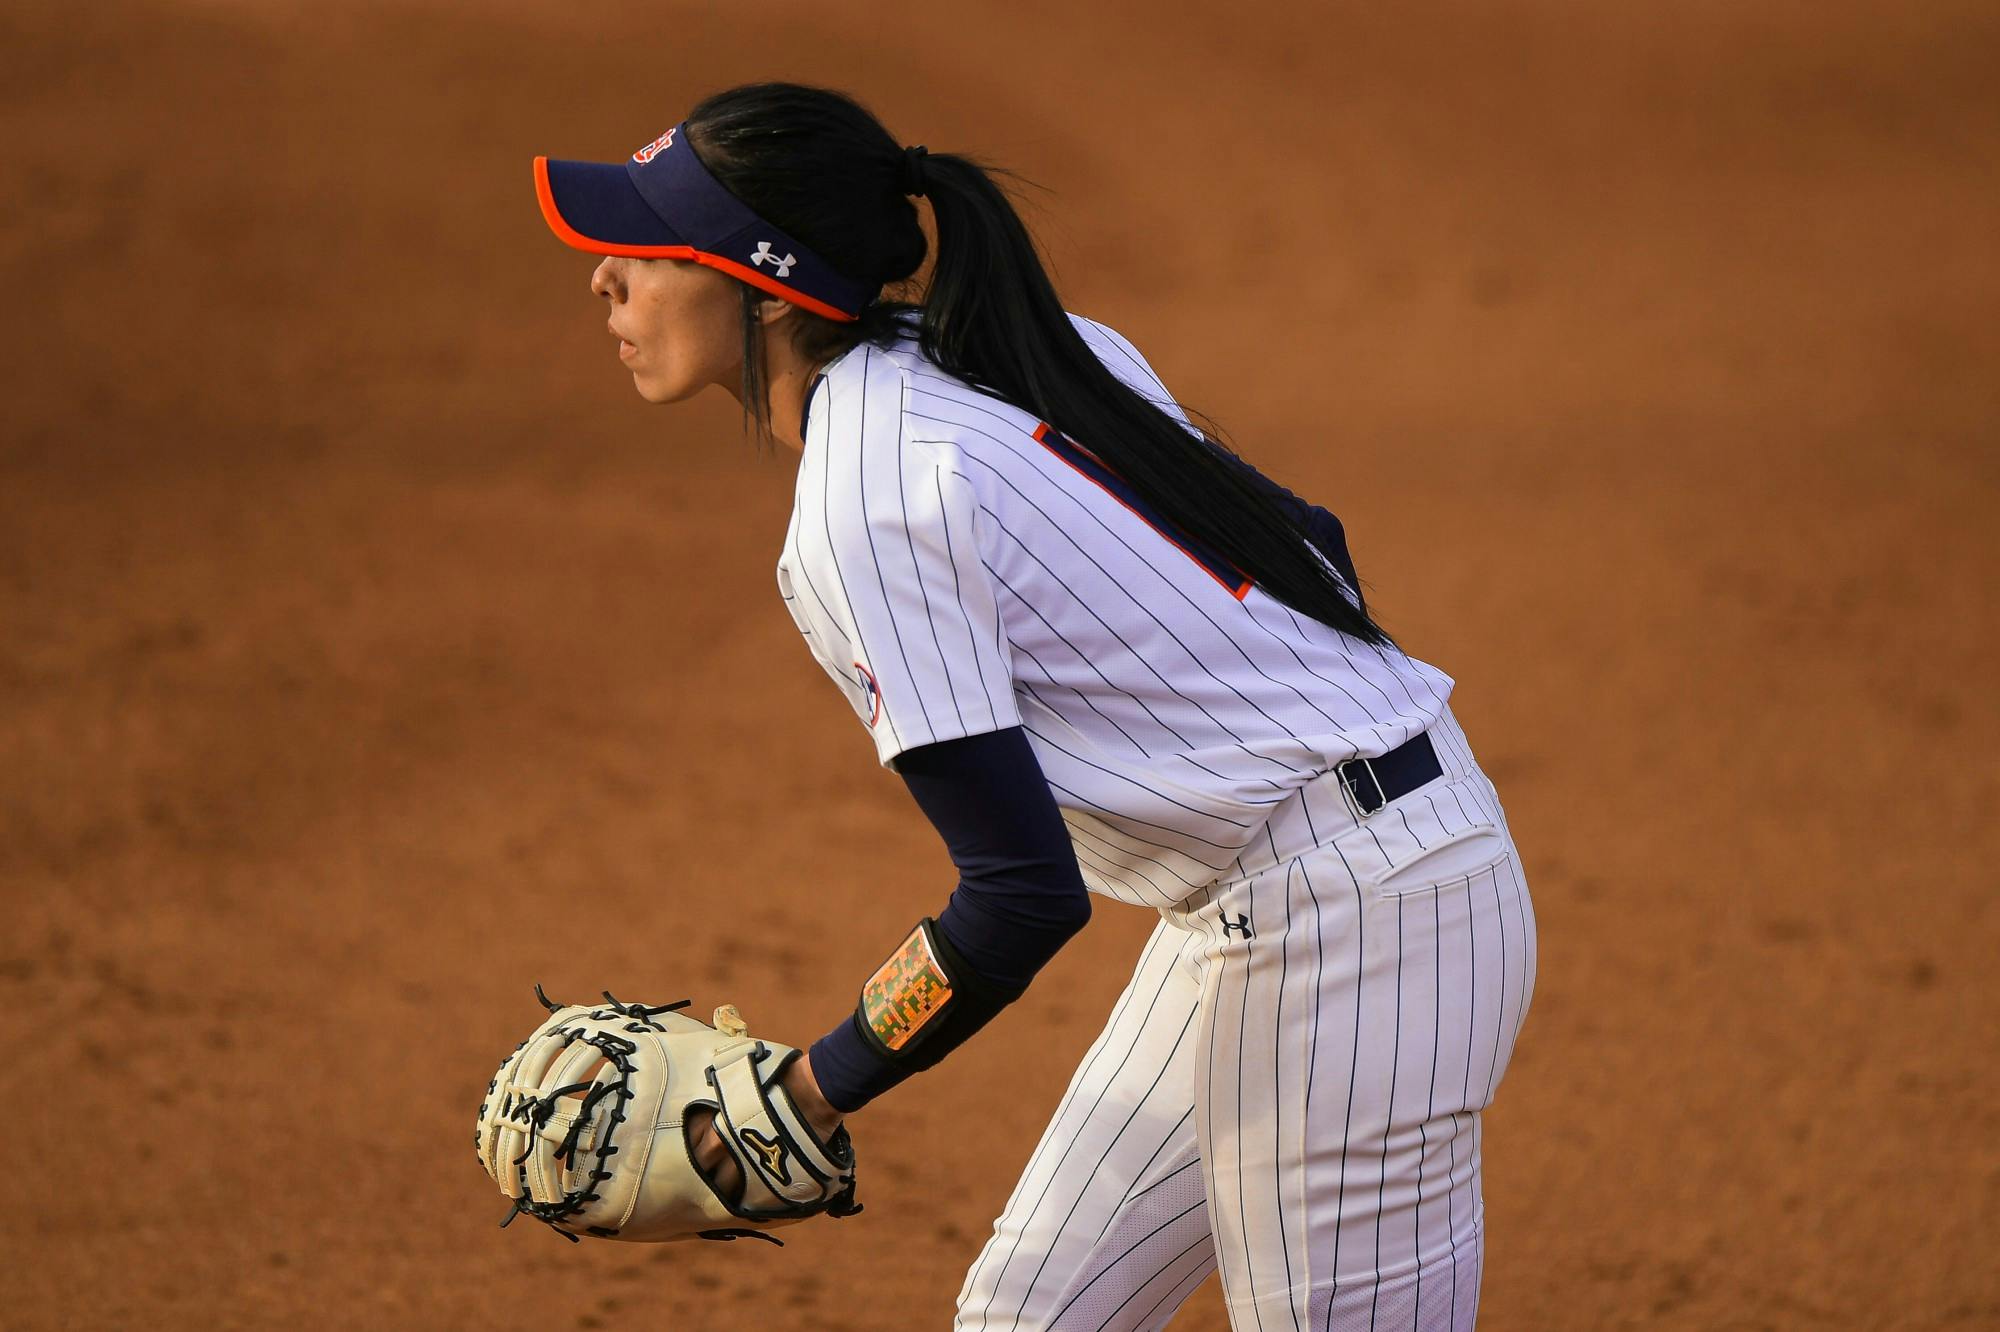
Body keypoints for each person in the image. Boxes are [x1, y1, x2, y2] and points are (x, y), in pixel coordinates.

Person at [531, 81, 1536, 1332]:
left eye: (652, 253)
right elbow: (1309, 540)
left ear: (764, 283)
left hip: (1363, 939)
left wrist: (808, 1088)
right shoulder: (1012, 348)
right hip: (1284, 897)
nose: (605, 283)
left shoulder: (869, 502)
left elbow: (1017, 892)